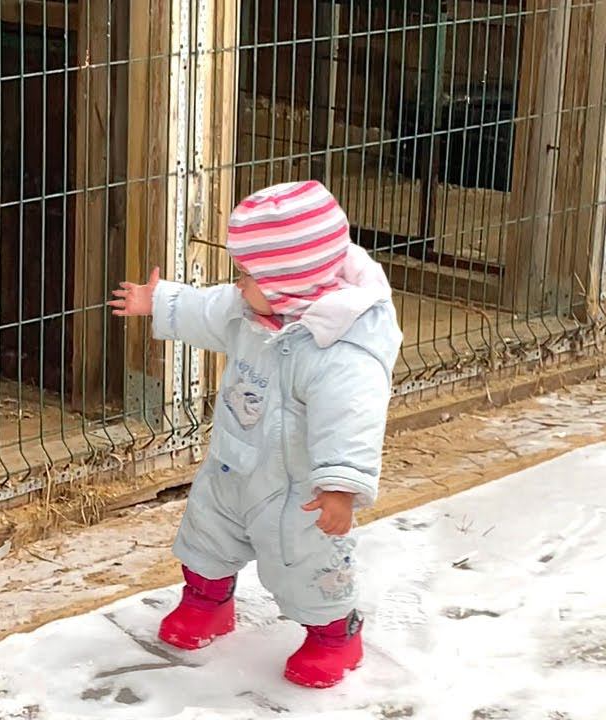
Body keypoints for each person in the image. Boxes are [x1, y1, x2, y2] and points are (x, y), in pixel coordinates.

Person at [108, 180, 402, 688]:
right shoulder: (252, 309)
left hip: (301, 490)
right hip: (234, 462)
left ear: (292, 282)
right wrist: (160, 302)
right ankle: (207, 602)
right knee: (206, 534)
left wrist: (340, 487)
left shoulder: (343, 352)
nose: (238, 284)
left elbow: (352, 421)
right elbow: (211, 308)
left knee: (307, 563)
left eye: (248, 275)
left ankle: (335, 634)